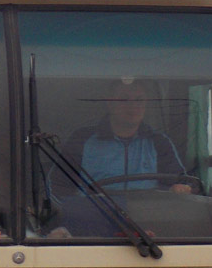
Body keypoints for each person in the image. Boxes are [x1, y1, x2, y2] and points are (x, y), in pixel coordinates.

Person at [63, 78, 192, 193]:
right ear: (110, 103)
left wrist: (179, 188)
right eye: (124, 99)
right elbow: (57, 186)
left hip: (147, 218)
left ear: (146, 103)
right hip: (93, 218)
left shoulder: (159, 142)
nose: (133, 106)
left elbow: (181, 183)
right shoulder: (81, 139)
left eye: (139, 100)